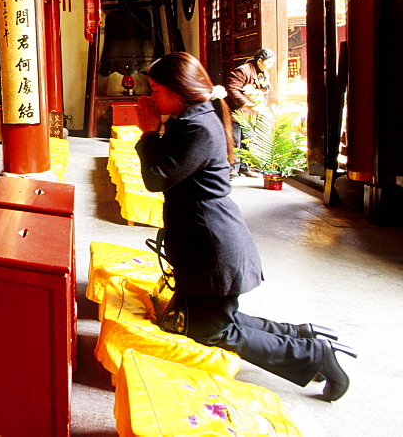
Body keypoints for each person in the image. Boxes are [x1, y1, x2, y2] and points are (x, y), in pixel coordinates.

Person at [134, 51, 356, 402]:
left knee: (213, 328)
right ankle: (304, 337)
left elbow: (157, 176)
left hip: (211, 244)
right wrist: (157, 130)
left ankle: (315, 354)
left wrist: (149, 133)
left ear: (181, 91)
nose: (150, 98)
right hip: (202, 239)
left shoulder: (195, 125)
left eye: (156, 90)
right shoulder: (193, 116)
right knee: (209, 320)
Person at [226, 48, 276, 178]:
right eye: (269, 63)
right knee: (235, 141)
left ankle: (244, 167)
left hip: (252, 113)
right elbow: (232, 89)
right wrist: (246, 103)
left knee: (247, 140)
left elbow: (266, 91)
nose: (270, 66)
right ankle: (232, 168)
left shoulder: (263, 73)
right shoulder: (243, 70)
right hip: (237, 113)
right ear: (260, 61)